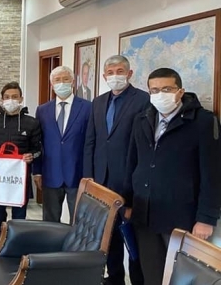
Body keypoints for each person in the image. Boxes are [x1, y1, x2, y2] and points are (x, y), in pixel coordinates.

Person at [123, 68, 221, 285]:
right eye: (154, 90)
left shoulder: (203, 122)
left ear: (180, 91)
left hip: (181, 215)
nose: (160, 94)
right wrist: (128, 202)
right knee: (151, 274)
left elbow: (213, 174)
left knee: (180, 278)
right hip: (144, 212)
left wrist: (206, 218)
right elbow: (132, 162)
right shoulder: (141, 119)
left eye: (167, 89)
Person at [83, 55, 147, 285]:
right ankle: (115, 278)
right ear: (104, 76)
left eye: (120, 71)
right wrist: (88, 177)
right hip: (102, 180)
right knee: (108, 234)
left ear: (129, 74)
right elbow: (91, 141)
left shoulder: (143, 100)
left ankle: (138, 280)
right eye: (110, 72)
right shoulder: (98, 102)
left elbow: (144, 145)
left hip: (129, 181)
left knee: (132, 236)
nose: (115, 76)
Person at [0, 81, 42, 243]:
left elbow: (39, 149)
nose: (11, 100)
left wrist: (31, 156)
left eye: (15, 97)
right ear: (1, 100)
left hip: (19, 180)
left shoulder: (32, 123)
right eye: (7, 97)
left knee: (19, 217)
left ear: (21, 99)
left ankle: (17, 247)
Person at [33, 66, 91, 223]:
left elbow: (91, 142)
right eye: (57, 80)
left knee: (79, 222)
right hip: (51, 173)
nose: (61, 83)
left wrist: (90, 174)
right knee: (50, 222)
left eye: (65, 79)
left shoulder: (88, 108)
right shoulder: (42, 110)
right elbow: (37, 143)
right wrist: (37, 171)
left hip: (78, 174)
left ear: (73, 82)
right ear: (52, 84)